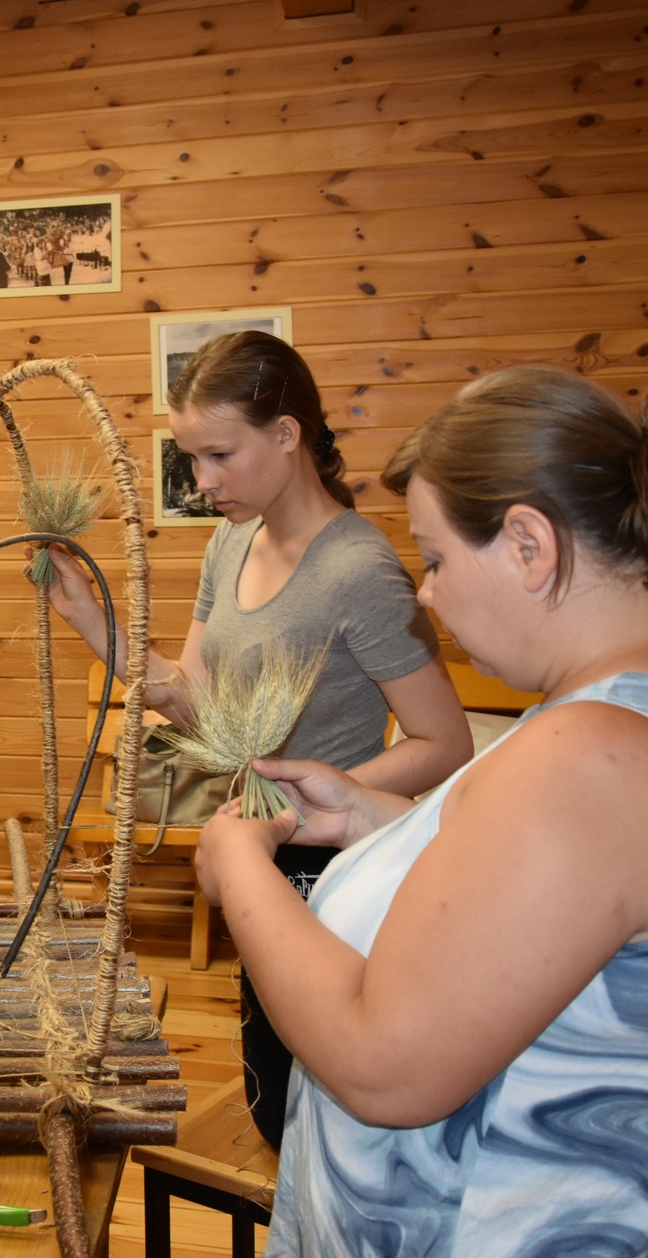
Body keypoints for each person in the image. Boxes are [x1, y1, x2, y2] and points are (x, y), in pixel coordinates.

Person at [199, 367, 648, 1254]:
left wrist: (242, 869)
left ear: (529, 543)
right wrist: (381, 819)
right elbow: (559, 906)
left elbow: (385, 1063)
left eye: (440, 558)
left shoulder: (595, 760)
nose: (427, 592)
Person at [46, 330, 471, 1146]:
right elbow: (198, 707)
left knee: (319, 1107)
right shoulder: (230, 544)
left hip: (334, 867)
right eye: (191, 459)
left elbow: (444, 742)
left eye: (219, 456)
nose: (203, 482)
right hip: (258, 852)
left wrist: (324, 792)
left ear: (286, 435)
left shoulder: (360, 571)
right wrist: (93, 623)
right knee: (273, 1095)